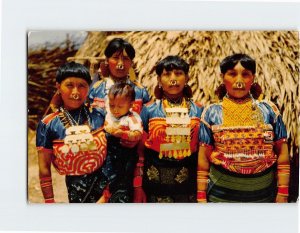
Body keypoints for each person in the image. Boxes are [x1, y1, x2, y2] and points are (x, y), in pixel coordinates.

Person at [197, 53, 290, 203]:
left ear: (253, 78)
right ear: (222, 77)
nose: (239, 81)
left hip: (263, 195)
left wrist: (283, 193)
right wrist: (201, 196)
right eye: (232, 74)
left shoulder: (270, 110)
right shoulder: (211, 112)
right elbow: (203, 159)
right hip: (221, 196)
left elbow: (283, 154)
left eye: (245, 74)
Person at [36, 61, 107, 203]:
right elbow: (44, 168)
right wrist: (49, 202)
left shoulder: (99, 115)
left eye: (82, 86)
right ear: (58, 87)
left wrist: (108, 194)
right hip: (76, 194)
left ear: (88, 88)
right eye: (69, 85)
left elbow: (115, 156)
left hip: (107, 192)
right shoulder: (48, 124)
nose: (75, 92)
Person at [136, 55, 203, 203]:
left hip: (187, 185)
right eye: (167, 74)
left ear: (187, 78)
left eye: (178, 74)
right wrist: (138, 184)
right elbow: (140, 151)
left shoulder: (198, 110)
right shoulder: (149, 110)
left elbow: (203, 150)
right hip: (155, 184)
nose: (173, 79)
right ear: (159, 80)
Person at [103, 83, 143, 202]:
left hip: (125, 155)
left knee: (123, 179)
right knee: (107, 176)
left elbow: (138, 134)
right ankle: (107, 193)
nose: (115, 110)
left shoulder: (132, 118)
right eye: (112, 105)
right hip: (110, 153)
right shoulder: (109, 115)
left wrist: (124, 134)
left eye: (120, 106)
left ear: (131, 105)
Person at [88, 37, 150, 115]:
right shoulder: (96, 90)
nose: (120, 64)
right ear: (107, 61)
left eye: (125, 59)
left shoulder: (140, 91)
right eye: (115, 58)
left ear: (131, 63)